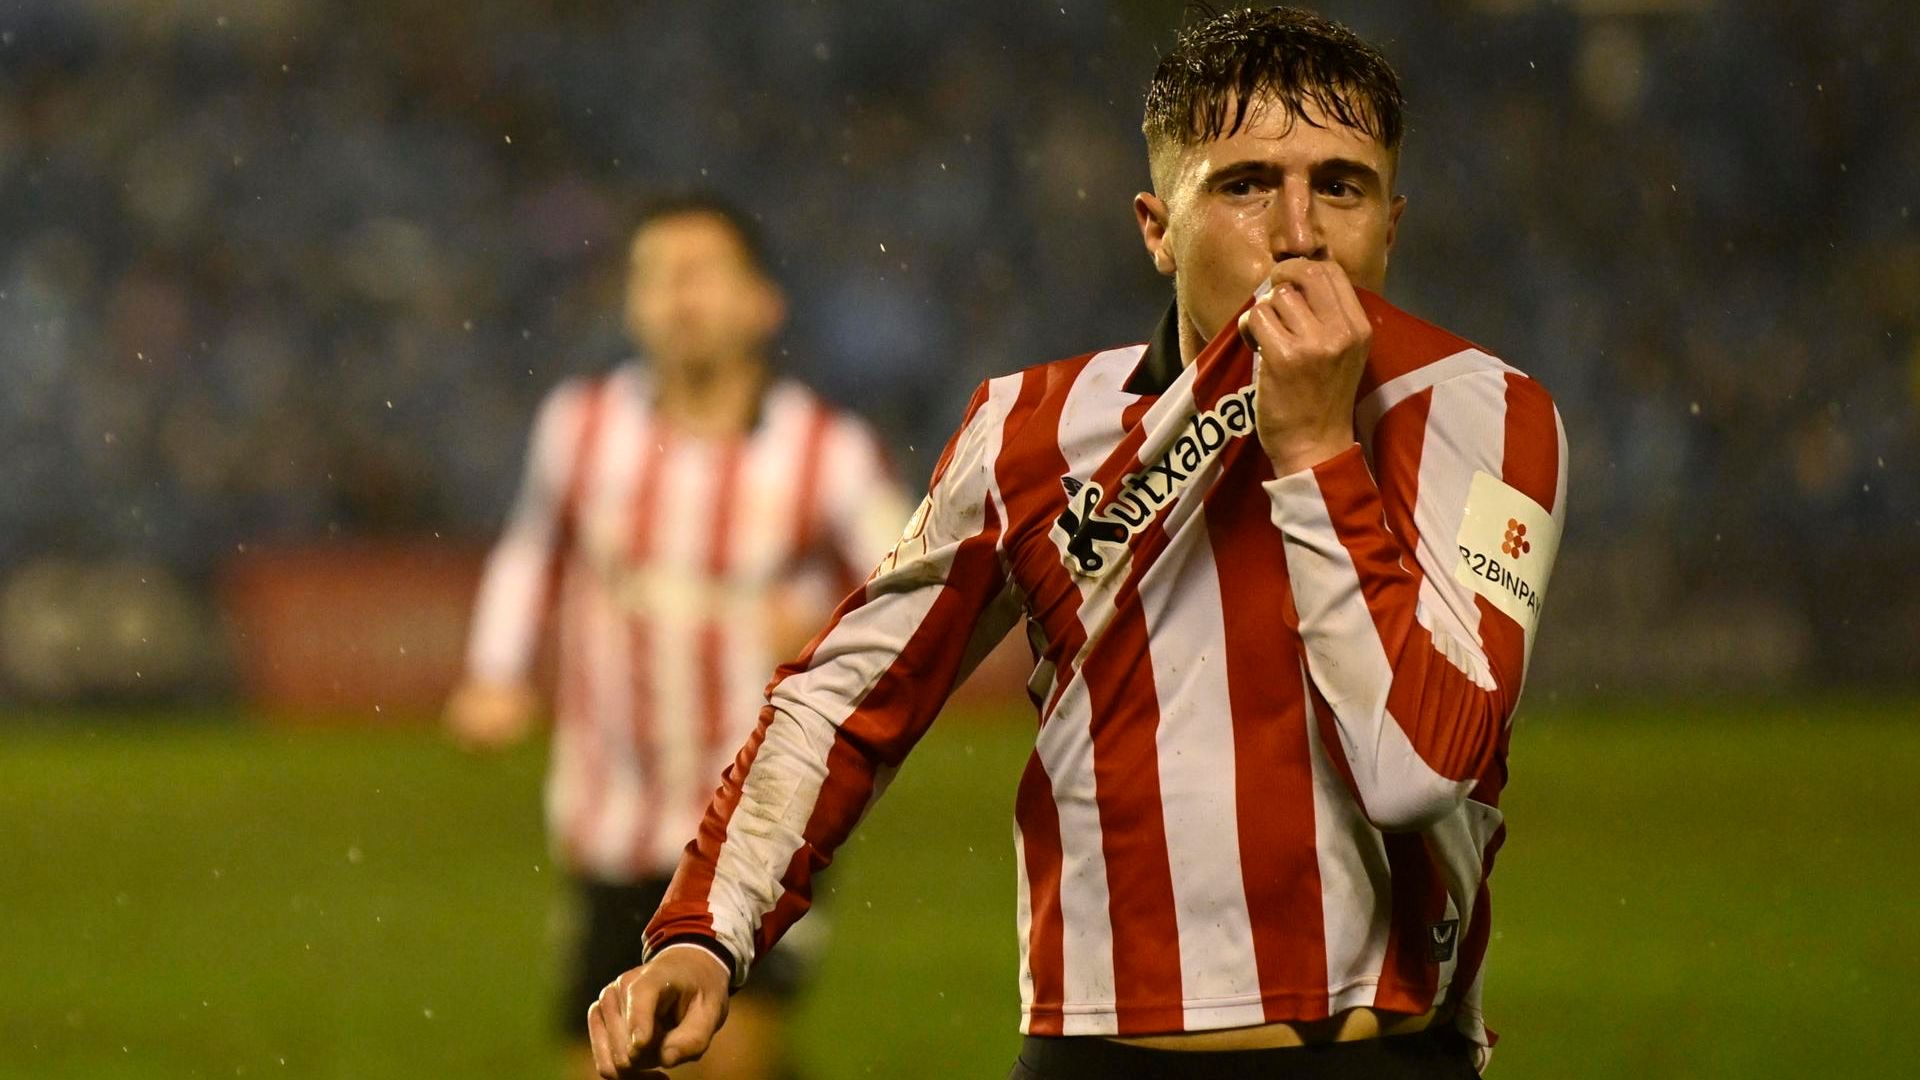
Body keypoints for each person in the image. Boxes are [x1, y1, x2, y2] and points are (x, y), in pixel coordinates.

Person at [590, 8, 1567, 1079]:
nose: (1300, 231)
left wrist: (1315, 448)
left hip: (1377, 1054)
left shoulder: (1484, 411)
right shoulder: (1027, 427)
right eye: (1244, 184)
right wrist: (704, 928)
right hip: (1100, 1054)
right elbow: (846, 694)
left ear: (1391, 220)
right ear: (1157, 225)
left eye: (1341, 184)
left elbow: (1418, 769)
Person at [447, 193, 907, 1080]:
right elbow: (529, 554)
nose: (677, 297)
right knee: (618, 1063)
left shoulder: (826, 451)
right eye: (654, 276)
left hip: (761, 813)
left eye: (700, 273)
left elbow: (915, 588)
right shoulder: (579, 427)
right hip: (611, 808)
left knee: (719, 1060)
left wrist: (836, 630)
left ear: (761, 303)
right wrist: (494, 673)